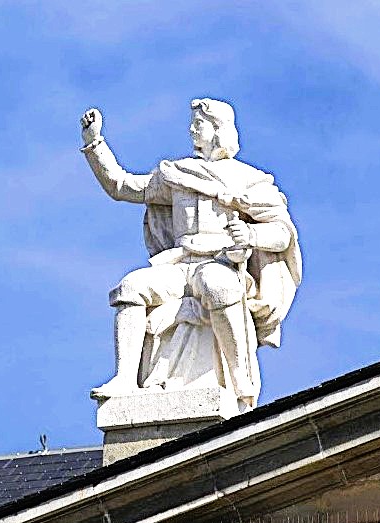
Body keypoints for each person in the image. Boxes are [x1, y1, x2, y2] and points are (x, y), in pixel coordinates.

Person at [80, 98, 301, 406]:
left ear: (218, 129)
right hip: (180, 263)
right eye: (193, 123)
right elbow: (122, 186)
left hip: (221, 261)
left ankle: (240, 378)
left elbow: (282, 234)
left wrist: (251, 235)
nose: (192, 130)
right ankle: (125, 379)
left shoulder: (248, 179)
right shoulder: (177, 173)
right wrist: (95, 144)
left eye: (199, 124)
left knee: (217, 286)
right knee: (131, 286)